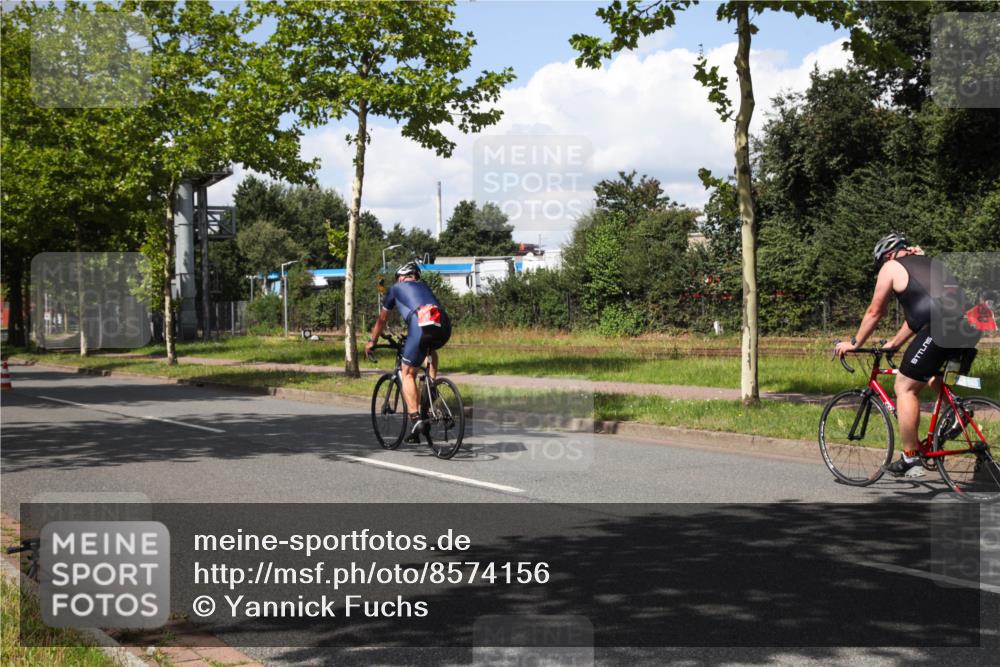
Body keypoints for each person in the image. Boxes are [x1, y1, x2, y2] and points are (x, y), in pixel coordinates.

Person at [835, 233, 981, 477]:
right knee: (934, 376)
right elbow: (918, 317)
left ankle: (910, 457)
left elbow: (875, 311)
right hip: (970, 324)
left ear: (888, 255)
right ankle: (958, 416)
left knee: (904, 386)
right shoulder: (930, 264)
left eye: (881, 262)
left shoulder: (891, 267)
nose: (882, 267)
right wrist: (894, 343)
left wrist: (854, 342)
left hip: (942, 326)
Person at [365, 261, 451, 441]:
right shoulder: (424, 286)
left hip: (420, 324)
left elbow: (382, 320)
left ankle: (415, 418)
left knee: (408, 372)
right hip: (443, 323)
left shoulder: (396, 288)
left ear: (401, 277)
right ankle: (432, 386)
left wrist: (372, 341)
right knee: (430, 349)